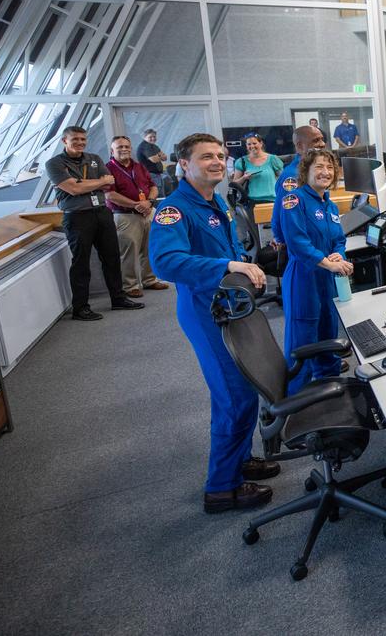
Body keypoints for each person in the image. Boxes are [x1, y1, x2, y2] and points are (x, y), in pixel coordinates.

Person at [148, 133, 277, 513]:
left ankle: (239, 460)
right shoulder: (174, 209)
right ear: (183, 164)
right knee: (233, 394)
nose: (218, 162)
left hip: (229, 304)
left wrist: (249, 260)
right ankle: (222, 487)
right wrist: (228, 265)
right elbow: (166, 263)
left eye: (220, 156)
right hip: (206, 312)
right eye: (206, 157)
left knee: (244, 386)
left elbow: (230, 249)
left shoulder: (215, 200)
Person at [45, 126, 146, 321]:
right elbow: (73, 189)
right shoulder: (54, 163)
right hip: (77, 215)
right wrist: (95, 182)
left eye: (83, 139)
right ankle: (80, 308)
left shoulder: (94, 159)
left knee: (112, 257)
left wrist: (86, 183)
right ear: (64, 141)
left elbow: (109, 182)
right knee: (81, 262)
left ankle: (118, 299)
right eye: (75, 140)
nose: (80, 143)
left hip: (101, 212)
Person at [281, 149, 353, 392]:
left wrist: (338, 256)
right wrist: (328, 262)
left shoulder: (330, 205)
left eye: (330, 168)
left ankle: (329, 391)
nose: (325, 172)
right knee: (302, 345)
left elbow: (339, 240)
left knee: (328, 337)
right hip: (303, 279)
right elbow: (298, 243)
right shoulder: (294, 200)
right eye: (319, 167)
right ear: (306, 171)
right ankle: (294, 409)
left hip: (327, 279)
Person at [105, 136, 168, 298]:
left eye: (126, 146)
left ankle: (149, 279)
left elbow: (152, 186)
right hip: (126, 216)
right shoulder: (107, 169)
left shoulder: (139, 166)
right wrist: (135, 205)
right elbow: (110, 195)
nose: (124, 149)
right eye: (119, 147)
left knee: (150, 248)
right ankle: (130, 285)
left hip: (148, 212)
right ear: (112, 151)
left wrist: (149, 202)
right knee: (129, 252)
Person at [270, 125, 326, 246]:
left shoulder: (314, 170)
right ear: (300, 146)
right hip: (305, 247)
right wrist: (281, 241)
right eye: (316, 140)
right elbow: (281, 216)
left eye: (322, 139)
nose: (322, 144)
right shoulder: (292, 177)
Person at [231, 133, 284, 204]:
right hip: (252, 203)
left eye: (254, 143)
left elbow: (284, 180)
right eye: (249, 144)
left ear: (261, 143)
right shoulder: (241, 161)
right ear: (246, 146)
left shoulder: (273, 159)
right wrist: (244, 177)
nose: (252, 146)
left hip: (273, 201)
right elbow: (234, 184)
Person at [136, 128, 171, 195]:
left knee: (164, 189)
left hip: (157, 174)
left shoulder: (154, 146)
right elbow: (154, 160)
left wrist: (158, 156)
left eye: (154, 136)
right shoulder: (145, 146)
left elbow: (165, 158)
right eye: (150, 137)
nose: (153, 138)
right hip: (151, 175)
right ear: (144, 137)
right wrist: (159, 156)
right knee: (158, 194)